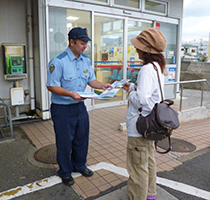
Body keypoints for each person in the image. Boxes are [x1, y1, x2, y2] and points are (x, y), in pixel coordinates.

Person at [46, 27, 112, 186]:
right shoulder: (58, 61)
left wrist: (101, 85)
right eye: (82, 43)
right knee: (64, 142)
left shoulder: (86, 60)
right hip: (62, 109)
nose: (85, 46)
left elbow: (91, 80)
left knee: (81, 139)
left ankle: (80, 165)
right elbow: (51, 86)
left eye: (86, 43)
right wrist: (71, 94)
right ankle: (65, 172)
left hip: (79, 107)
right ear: (72, 42)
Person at [121, 27, 167, 200]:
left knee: (136, 168)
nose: (136, 49)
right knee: (148, 162)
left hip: (139, 126)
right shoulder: (157, 67)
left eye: (138, 46)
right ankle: (150, 194)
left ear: (146, 49)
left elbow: (140, 100)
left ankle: (136, 197)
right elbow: (149, 95)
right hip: (151, 123)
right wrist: (133, 87)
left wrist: (130, 93)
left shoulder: (146, 69)